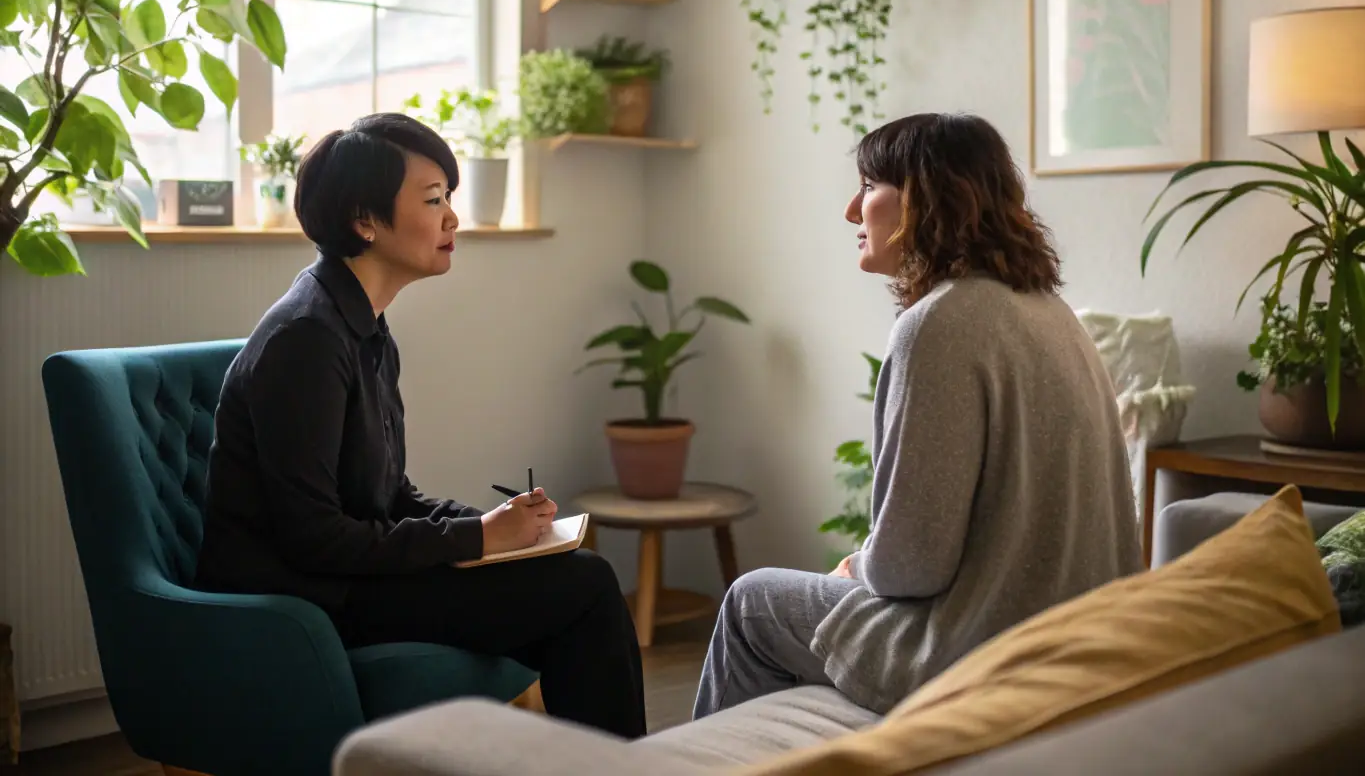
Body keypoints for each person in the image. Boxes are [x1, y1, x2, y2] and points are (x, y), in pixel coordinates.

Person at [195, 113, 646, 738]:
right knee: (585, 588)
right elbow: (313, 538)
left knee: (572, 577)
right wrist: (477, 540)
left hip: (346, 576)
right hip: (302, 599)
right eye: (433, 200)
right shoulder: (307, 339)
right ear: (364, 219)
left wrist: (496, 528)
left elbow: (388, 495)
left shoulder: (364, 324)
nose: (451, 219)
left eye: (450, 199)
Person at [693, 112, 1141, 718]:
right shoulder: (1051, 312)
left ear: (927, 201)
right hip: (1079, 648)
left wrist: (860, 566)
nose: (853, 211)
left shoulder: (939, 324)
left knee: (751, 601)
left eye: (870, 187)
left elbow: (911, 566)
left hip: (983, 654)